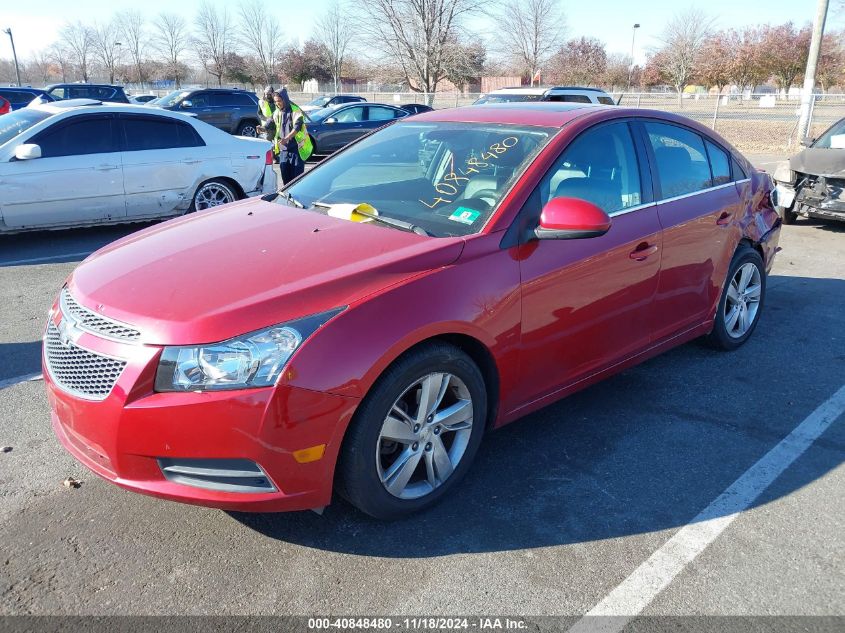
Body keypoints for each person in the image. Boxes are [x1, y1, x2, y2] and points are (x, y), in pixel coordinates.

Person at [272, 88, 313, 185]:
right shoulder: (277, 112)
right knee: (286, 181)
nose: (277, 103)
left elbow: (297, 127)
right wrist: (262, 127)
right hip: (283, 151)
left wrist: (287, 138)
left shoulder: (295, 110)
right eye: (275, 101)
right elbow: (270, 123)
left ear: (285, 99)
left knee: (297, 181)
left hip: (296, 150)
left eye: (279, 101)